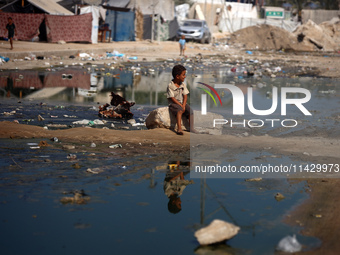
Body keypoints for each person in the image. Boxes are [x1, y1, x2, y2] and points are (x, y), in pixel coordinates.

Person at [167, 64, 198, 135]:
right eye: (183, 75)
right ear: (177, 76)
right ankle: (179, 128)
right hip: (174, 104)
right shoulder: (170, 86)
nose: (185, 76)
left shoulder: (182, 85)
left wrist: (183, 105)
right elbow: (172, 98)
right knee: (179, 110)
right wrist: (180, 105)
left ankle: (191, 128)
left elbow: (185, 95)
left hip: (181, 103)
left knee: (190, 111)